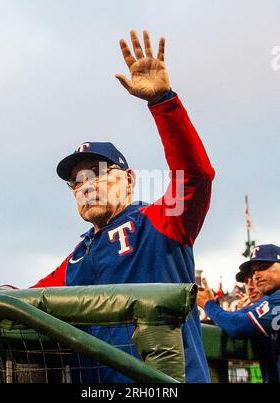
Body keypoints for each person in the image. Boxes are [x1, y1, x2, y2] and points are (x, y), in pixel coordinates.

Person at [31, 30, 215, 383]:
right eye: (77, 181)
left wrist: (163, 101)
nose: (86, 185)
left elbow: (196, 176)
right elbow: (27, 297)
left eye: (98, 173)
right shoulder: (77, 257)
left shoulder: (159, 221)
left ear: (129, 179)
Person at [198, 244, 280, 383]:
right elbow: (233, 319)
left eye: (263, 267)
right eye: (254, 271)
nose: (256, 276)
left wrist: (208, 305)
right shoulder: (269, 301)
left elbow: (238, 325)